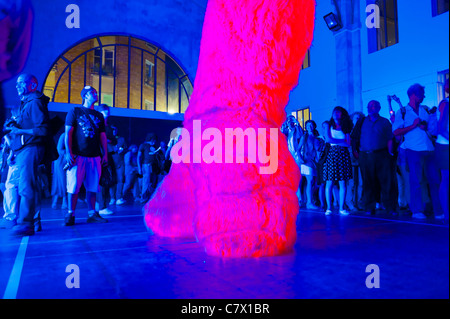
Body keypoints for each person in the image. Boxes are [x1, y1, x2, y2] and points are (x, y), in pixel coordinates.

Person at [2, 74, 50, 236]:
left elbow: (43, 129)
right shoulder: (27, 103)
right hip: (24, 149)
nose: (17, 86)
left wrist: (19, 130)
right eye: (17, 83)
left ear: (33, 85)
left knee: (26, 186)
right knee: (29, 185)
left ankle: (25, 223)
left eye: (21, 83)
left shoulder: (35, 102)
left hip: (31, 148)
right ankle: (33, 221)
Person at [392, 83, 442, 219]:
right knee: (416, 181)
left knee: (435, 180)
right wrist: (413, 126)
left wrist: (426, 126)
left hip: (429, 149)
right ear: (414, 94)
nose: (424, 96)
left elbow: (432, 129)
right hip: (413, 149)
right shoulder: (402, 112)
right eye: (422, 93)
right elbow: (396, 131)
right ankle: (417, 210)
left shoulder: (424, 110)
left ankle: (438, 211)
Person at [64, 86, 108, 226]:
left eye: (95, 91)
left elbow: (102, 137)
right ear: (85, 96)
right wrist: (68, 152)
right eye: (91, 92)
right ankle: (71, 214)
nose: (95, 94)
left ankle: (92, 213)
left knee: (93, 186)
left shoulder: (99, 115)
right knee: (74, 185)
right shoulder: (75, 111)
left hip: (94, 156)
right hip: (78, 155)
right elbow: (68, 133)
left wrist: (105, 154)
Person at [353, 100, 397, 216]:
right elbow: (355, 137)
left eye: (374, 106)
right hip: (365, 156)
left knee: (387, 182)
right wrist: (355, 152)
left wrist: (390, 153)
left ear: (379, 108)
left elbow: (389, 138)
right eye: (369, 106)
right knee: (368, 182)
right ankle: (369, 207)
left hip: (382, 155)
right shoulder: (362, 121)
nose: (371, 108)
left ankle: (390, 207)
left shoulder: (385, 122)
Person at [323, 106, 353, 216]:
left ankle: (341, 207)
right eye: (334, 111)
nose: (335, 113)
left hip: (343, 155)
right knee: (329, 182)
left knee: (343, 182)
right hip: (332, 154)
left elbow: (348, 143)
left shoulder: (346, 127)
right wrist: (342, 141)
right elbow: (328, 139)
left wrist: (340, 142)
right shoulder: (328, 125)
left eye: (338, 112)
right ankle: (329, 208)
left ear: (342, 114)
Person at [94, 103, 116, 216]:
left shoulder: (107, 126)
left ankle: (100, 203)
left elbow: (113, 140)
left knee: (106, 179)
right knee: (103, 179)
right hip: (101, 154)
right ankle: (102, 206)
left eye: (107, 111)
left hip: (106, 153)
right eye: (104, 111)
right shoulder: (98, 124)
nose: (106, 113)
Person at [281, 115, 304, 205]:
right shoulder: (286, 131)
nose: (289, 123)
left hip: (296, 156)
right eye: (288, 122)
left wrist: (297, 122)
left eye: (291, 122)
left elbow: (301, 134)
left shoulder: (296, 130)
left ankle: (299, 198)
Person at [299, 120, 321, 210]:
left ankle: (310, 200)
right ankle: (309, 203)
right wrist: (300, 158)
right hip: (306, 160)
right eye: (307, 125)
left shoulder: (316, 137)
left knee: (314, 183)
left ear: (314, 126)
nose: (309, 127)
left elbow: (318, 150)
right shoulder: (304, 136)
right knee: (310, 180)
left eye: (311, 125)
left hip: (314, 161)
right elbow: (298, 149)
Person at [435, 79, 449, 221]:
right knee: (446, 179)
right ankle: (446, 214)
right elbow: (441, 128)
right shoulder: (446, 104)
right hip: (445, 146)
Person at [138, 132, 164, 203]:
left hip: (154, 166)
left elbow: (159, 156)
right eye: (154, 140)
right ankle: (143, 198)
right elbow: (139, 157)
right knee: (146, 181)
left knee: (153, 181)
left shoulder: (155, 146)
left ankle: (149, 196)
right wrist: (139, 168)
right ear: (152, 139)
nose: (155, 141)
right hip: (146, 165)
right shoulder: (143, 145)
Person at [110, 125, 127, 205]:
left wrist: (122, 150)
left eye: (115, 130)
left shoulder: (121, 139)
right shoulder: (107, 139)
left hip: (120, 163)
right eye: (112, 130)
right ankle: (112, 198)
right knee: (112, 181)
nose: (114, 131)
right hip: (111, 163)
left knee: (120, 180)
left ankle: (118, 198)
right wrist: (113, 149)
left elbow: (126, 148)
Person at [51, 132, 68, 210]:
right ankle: (64, 200)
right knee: (61, 180)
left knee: (63, 180)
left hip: (67, 160)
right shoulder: (64, 135)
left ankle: (56, 201)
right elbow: (59, 149)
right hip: (61, 160)